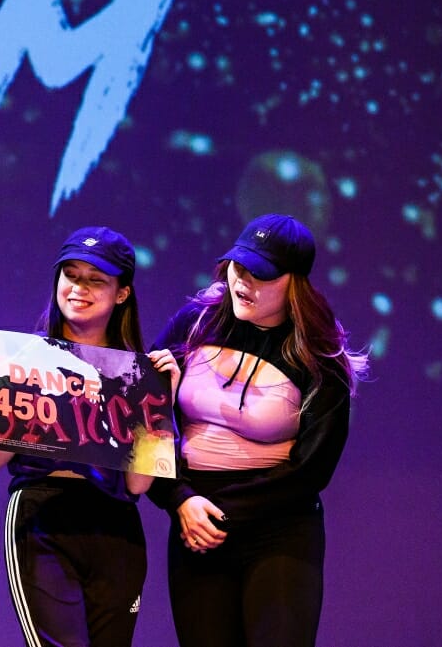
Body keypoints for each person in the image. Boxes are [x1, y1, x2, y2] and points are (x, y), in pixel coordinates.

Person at [147, 213, 369, 647]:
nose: (243, 282)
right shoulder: (195, 321)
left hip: (278, 531)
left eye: (261, 275)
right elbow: (140, 418)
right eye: (238, 267)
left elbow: (312, 469)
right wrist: (178, 499)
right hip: (195, 523)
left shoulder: (319, 352)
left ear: (295, 282)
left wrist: (215, 511)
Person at [0, 226, 180, 647]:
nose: (78, 288)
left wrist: (163, 401)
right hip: (41, 516)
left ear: (122, 293)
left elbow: (139, 484)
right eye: (70, 275)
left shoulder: (137, 373)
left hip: (115, 525)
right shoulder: (24, 357)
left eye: (96, 280)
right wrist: (0, 383)